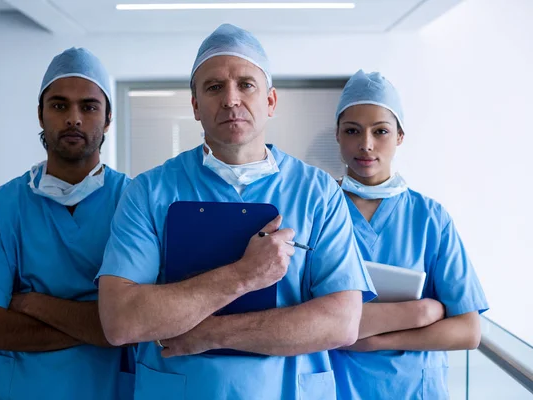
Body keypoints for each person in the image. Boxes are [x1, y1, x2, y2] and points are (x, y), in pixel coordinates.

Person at [96, 24, 376, 400]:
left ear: (271, 101)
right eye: (214, 87)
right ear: (195, 106)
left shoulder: (318, 193)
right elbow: (121, 321)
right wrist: (244, 275)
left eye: (246, 84)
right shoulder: (149, 191)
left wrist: (211, 333)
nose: (230, 99)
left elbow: (342, 323)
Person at [0, 47, 135, 400]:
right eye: (59, 105)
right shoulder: (2, 206)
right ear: (40, 114)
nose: (74, 118)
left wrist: (32, 304)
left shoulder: (133, 202)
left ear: (108, 118)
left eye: (89, 106)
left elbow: (140, 322)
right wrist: (102, 326)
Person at [330, 70, 488, 399]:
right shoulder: (319, 212)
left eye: (381, 131)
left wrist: (376, 340)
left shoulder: (430, 218)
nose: (366, 144)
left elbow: (468, 331)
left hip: (413, 389)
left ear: (400, 136)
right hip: (335, 384)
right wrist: (417, 315)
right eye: (352, 131)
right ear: (338, 135)